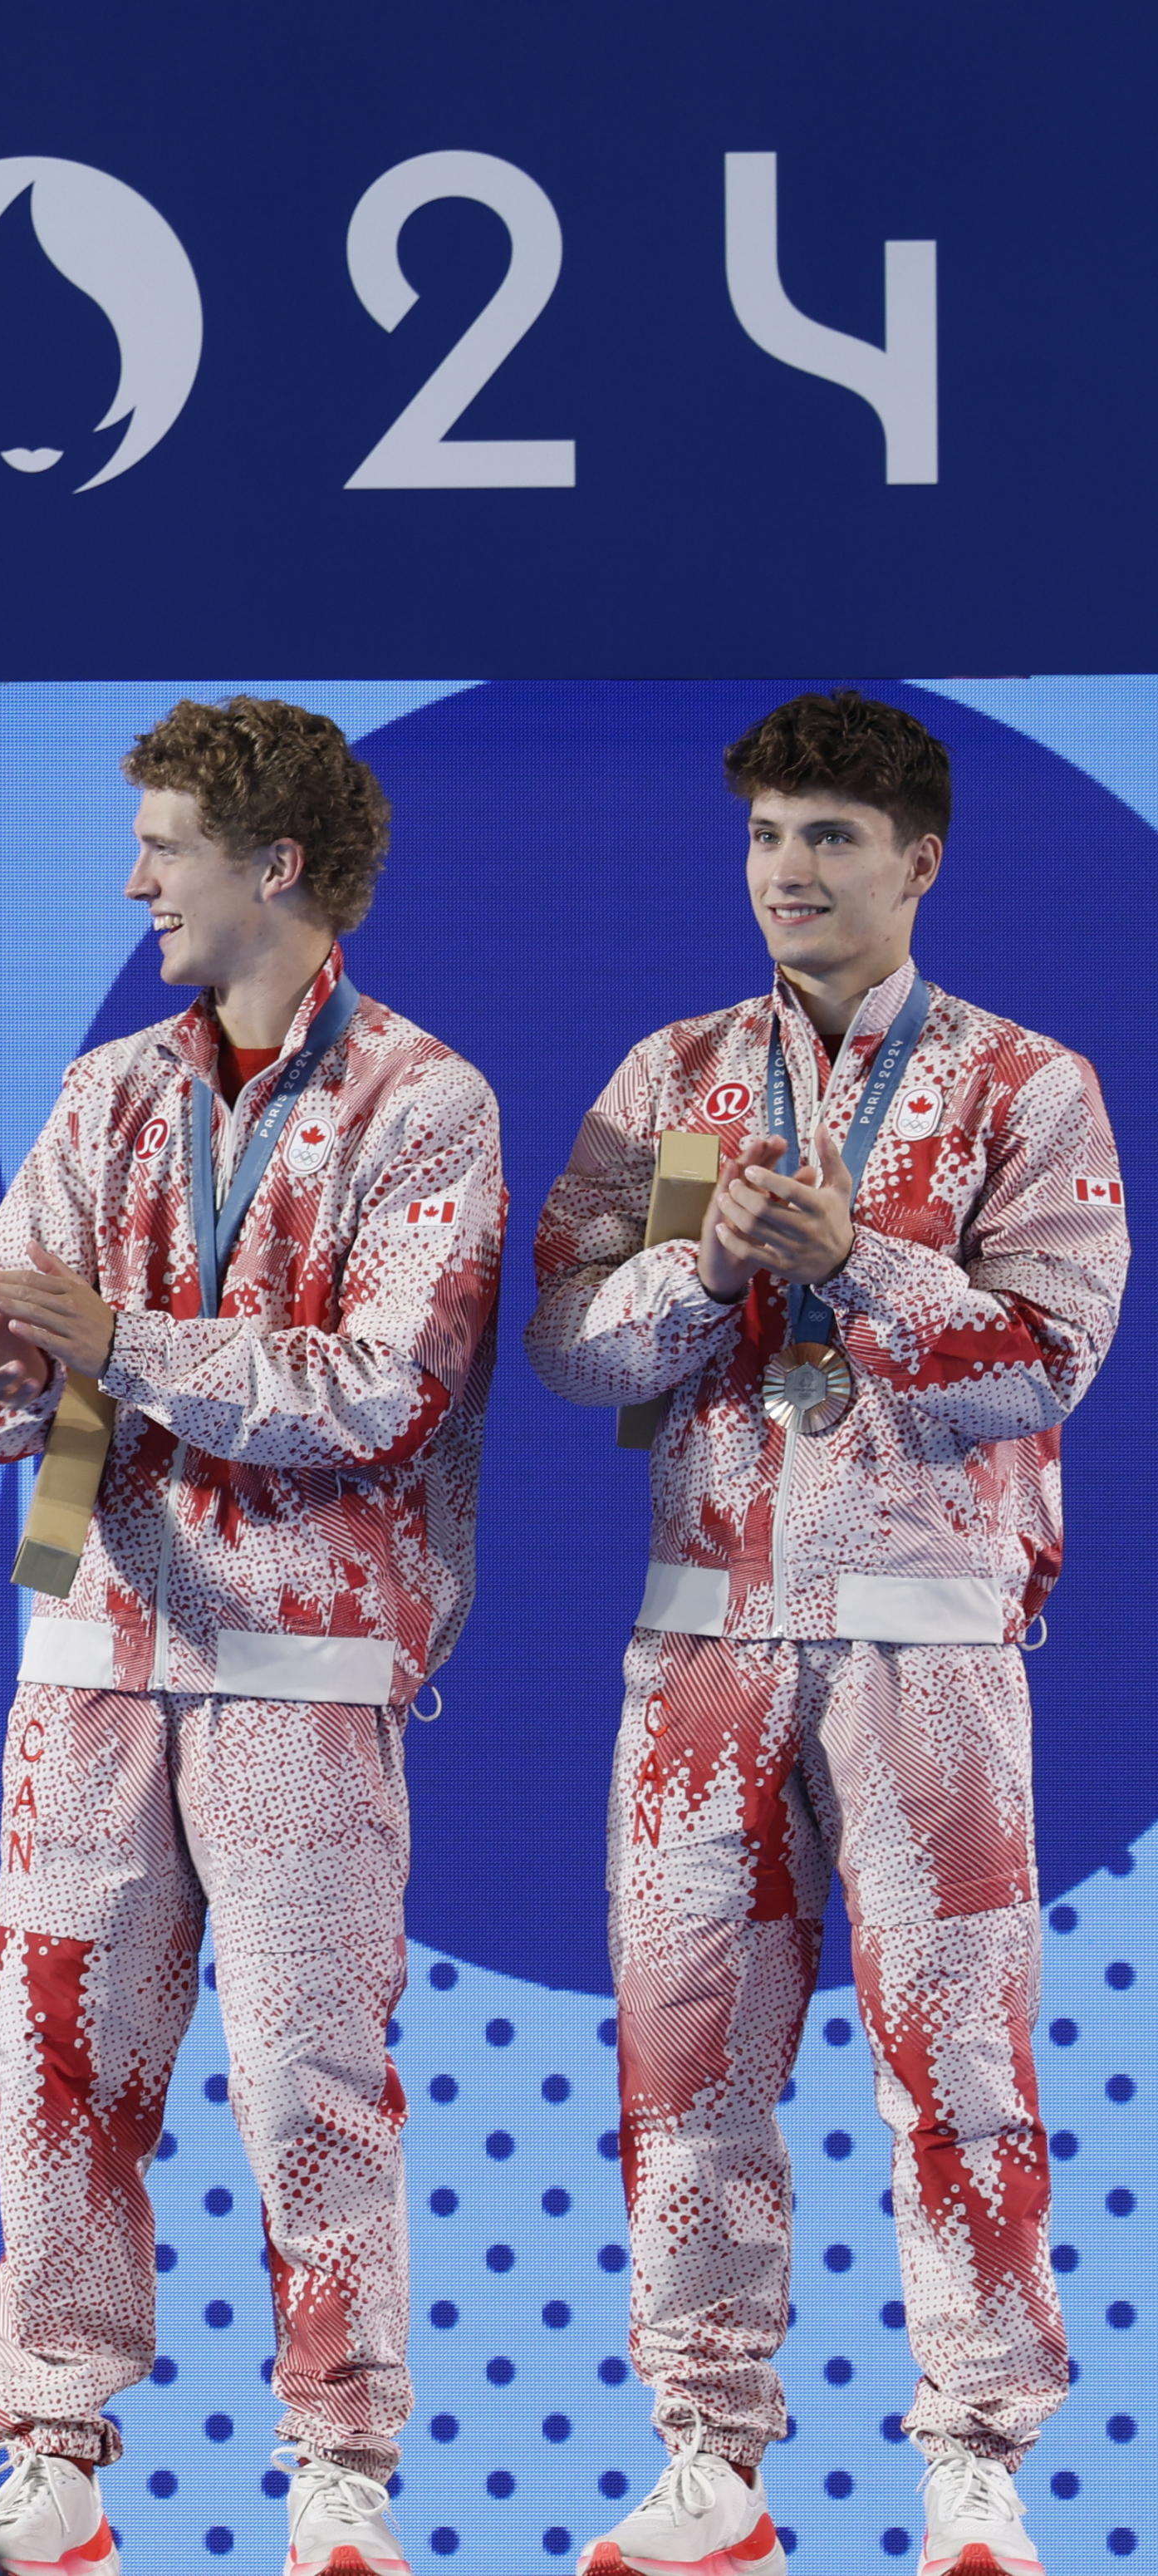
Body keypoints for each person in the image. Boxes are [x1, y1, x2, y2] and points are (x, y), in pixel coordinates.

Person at [527, 690, 1117, 2576]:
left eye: (832, 839)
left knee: (958, 2057)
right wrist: (705, 1265)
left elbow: (1042, 1362)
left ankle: (974, 2459)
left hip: (926, 1647)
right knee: (684, 2055)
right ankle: (708, 2452)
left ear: (919, 860)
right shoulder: (670, 1075)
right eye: (769, 836)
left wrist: (851, 1260)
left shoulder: (1034, 1087)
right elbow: (561, 1341)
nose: (789, 870)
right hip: (699, 1640)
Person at [0, 699, 503, 2576]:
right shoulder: (108, 1091)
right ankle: (54, 2443)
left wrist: (117, 1343)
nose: (134, 876)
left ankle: (336, 2468)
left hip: (305, 1661)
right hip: (89, 1652)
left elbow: (377, 1389)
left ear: (272, 865)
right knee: (54, 2056)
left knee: (306, 2072)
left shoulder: (425, 1102)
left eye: (166, 841)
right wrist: (10, 1370)